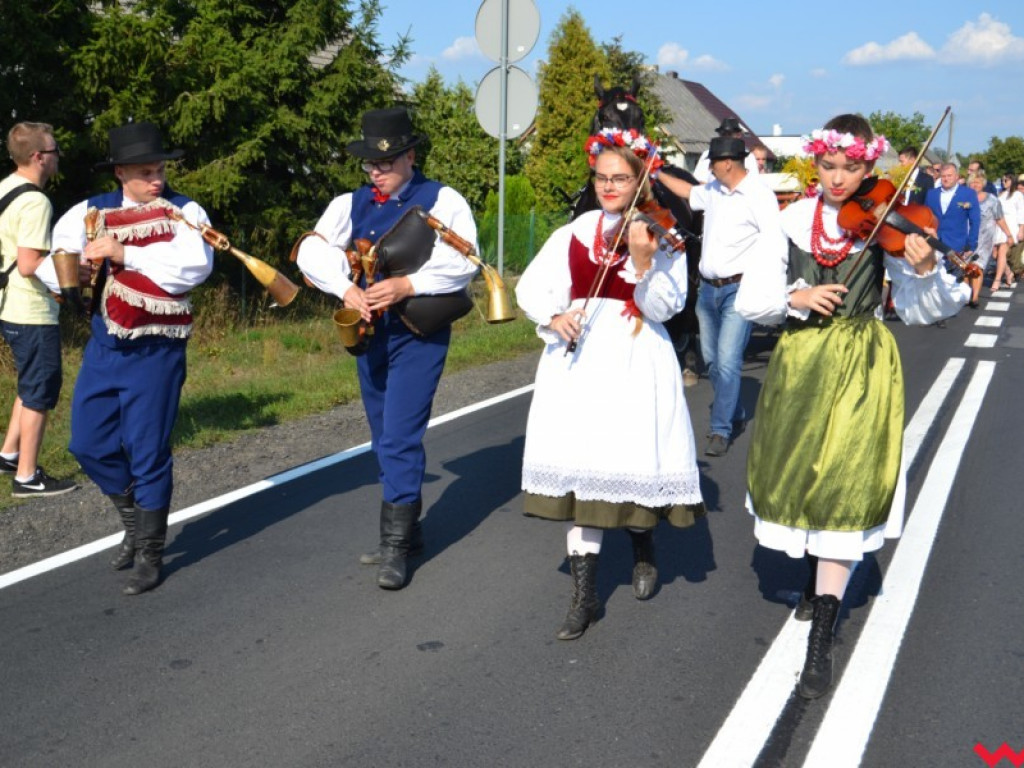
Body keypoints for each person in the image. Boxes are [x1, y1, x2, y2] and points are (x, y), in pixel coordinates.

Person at [735, 114, 969, 700]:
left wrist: (921, 270)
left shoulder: (885, 224)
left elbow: (919, 310)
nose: (838, 179)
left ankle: (824, 627)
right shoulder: (790, 221)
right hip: (800, 365)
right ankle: (815, 581)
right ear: (816, 162)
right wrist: (798, 295)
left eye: (851, 168)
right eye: (829, 166)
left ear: (871, 167)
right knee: (799, 480)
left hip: (862, 363)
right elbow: (749, 300)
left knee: (843, 482)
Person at [516, 128, 704, 640]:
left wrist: (643, 264)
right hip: (578, 364)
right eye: (601, 177)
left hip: (636, 356)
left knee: (629, 463)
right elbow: (532, 286)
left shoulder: (663, 235)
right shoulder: (574, 232)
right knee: (584, 470)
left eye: (620, 177)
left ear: (641, 177)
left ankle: (643, 545)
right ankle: (584, 596)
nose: (608, 186)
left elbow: (666, 307)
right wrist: (554, 316)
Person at [295, 107, 478, 591]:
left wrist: (407, 285)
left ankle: (395, 548)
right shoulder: (348, 203)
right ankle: (408, 531)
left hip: (418, 333)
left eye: (388, 161)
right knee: (382, 435)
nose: (377, 171)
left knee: (399, 435)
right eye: (371, 163)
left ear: (410, 156)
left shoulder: (442, 199)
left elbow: (463, 262)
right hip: (370, 335)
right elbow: (311, 251)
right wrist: (344, 288)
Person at [52, 121, 213, 595]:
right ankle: (131, 518)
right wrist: (74, 272)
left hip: (156, 349)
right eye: (146, 172)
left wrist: (125, 253)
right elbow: (53, 257)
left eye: (160, 169)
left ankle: (150, 551)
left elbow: (193, 268)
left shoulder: (184, 211)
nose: (157, 179)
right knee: (87, 443)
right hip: (105, 344)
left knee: (147, 451)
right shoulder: (89, 211)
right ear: (121, 172)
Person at [657, 136, 787, 456]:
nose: (710, 169)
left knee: (727, 362)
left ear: (727, 163)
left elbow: (774, 241)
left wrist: (771, 285)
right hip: (707, 292)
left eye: (712, 163)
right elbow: (687, 192)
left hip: (740, 290)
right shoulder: (713, 191)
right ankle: (736, 411)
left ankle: (720, 429)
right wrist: (655, 170)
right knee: (713, 361)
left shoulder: (759, 195)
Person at [0, 122, 78, 497]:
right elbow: (30, 263)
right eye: (54, 150)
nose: (57, 155)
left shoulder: (6, 188)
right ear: (37, 157)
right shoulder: (35, 201)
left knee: (29, 383)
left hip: (9, 305)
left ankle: (10, 454)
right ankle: (27, 477)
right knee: (41, 389)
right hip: (32, 309)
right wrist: (73, 273)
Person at [926, 163, 980, 298]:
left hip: (956, 244)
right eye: (943, 176)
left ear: (956, 176)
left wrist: (972, 244)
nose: (946, 179)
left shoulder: (968, 194)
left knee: (952, 281)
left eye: (949, 176)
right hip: (935, 243)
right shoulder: (932, 194)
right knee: (934, 280)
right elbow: (926, 217)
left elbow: (975, 220)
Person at [968, 172, 1016, 294]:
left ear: (983, 184)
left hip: (985, 238)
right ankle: (966, 292)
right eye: (972, 182)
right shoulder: (964, 198)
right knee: (966, 265)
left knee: (977, 264)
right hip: (968, 236)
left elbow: (999, 218)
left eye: (977, 182)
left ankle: (974, 296)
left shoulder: (992, 199)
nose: (974, 185)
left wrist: (1008, 234)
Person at [693, 117, 760, 182]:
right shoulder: (708, 154)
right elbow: (699, 180)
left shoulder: (748, 157)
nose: (726, 137)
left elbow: (754, 182)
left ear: (739, 135)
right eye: (723, 134)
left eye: (729, 134)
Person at [998, 174, 1024, 280]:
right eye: (1002, 179)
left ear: (1012, 181)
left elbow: (1021, 213)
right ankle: (1009, 272)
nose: (1003, 181)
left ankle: (1014, 271)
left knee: (1010, 253)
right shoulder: (1000, 194)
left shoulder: (1017, 195)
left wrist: (1021, 229)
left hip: (1013, 226)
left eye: (1006, 180)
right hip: (1000, 227)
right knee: (997, 254)